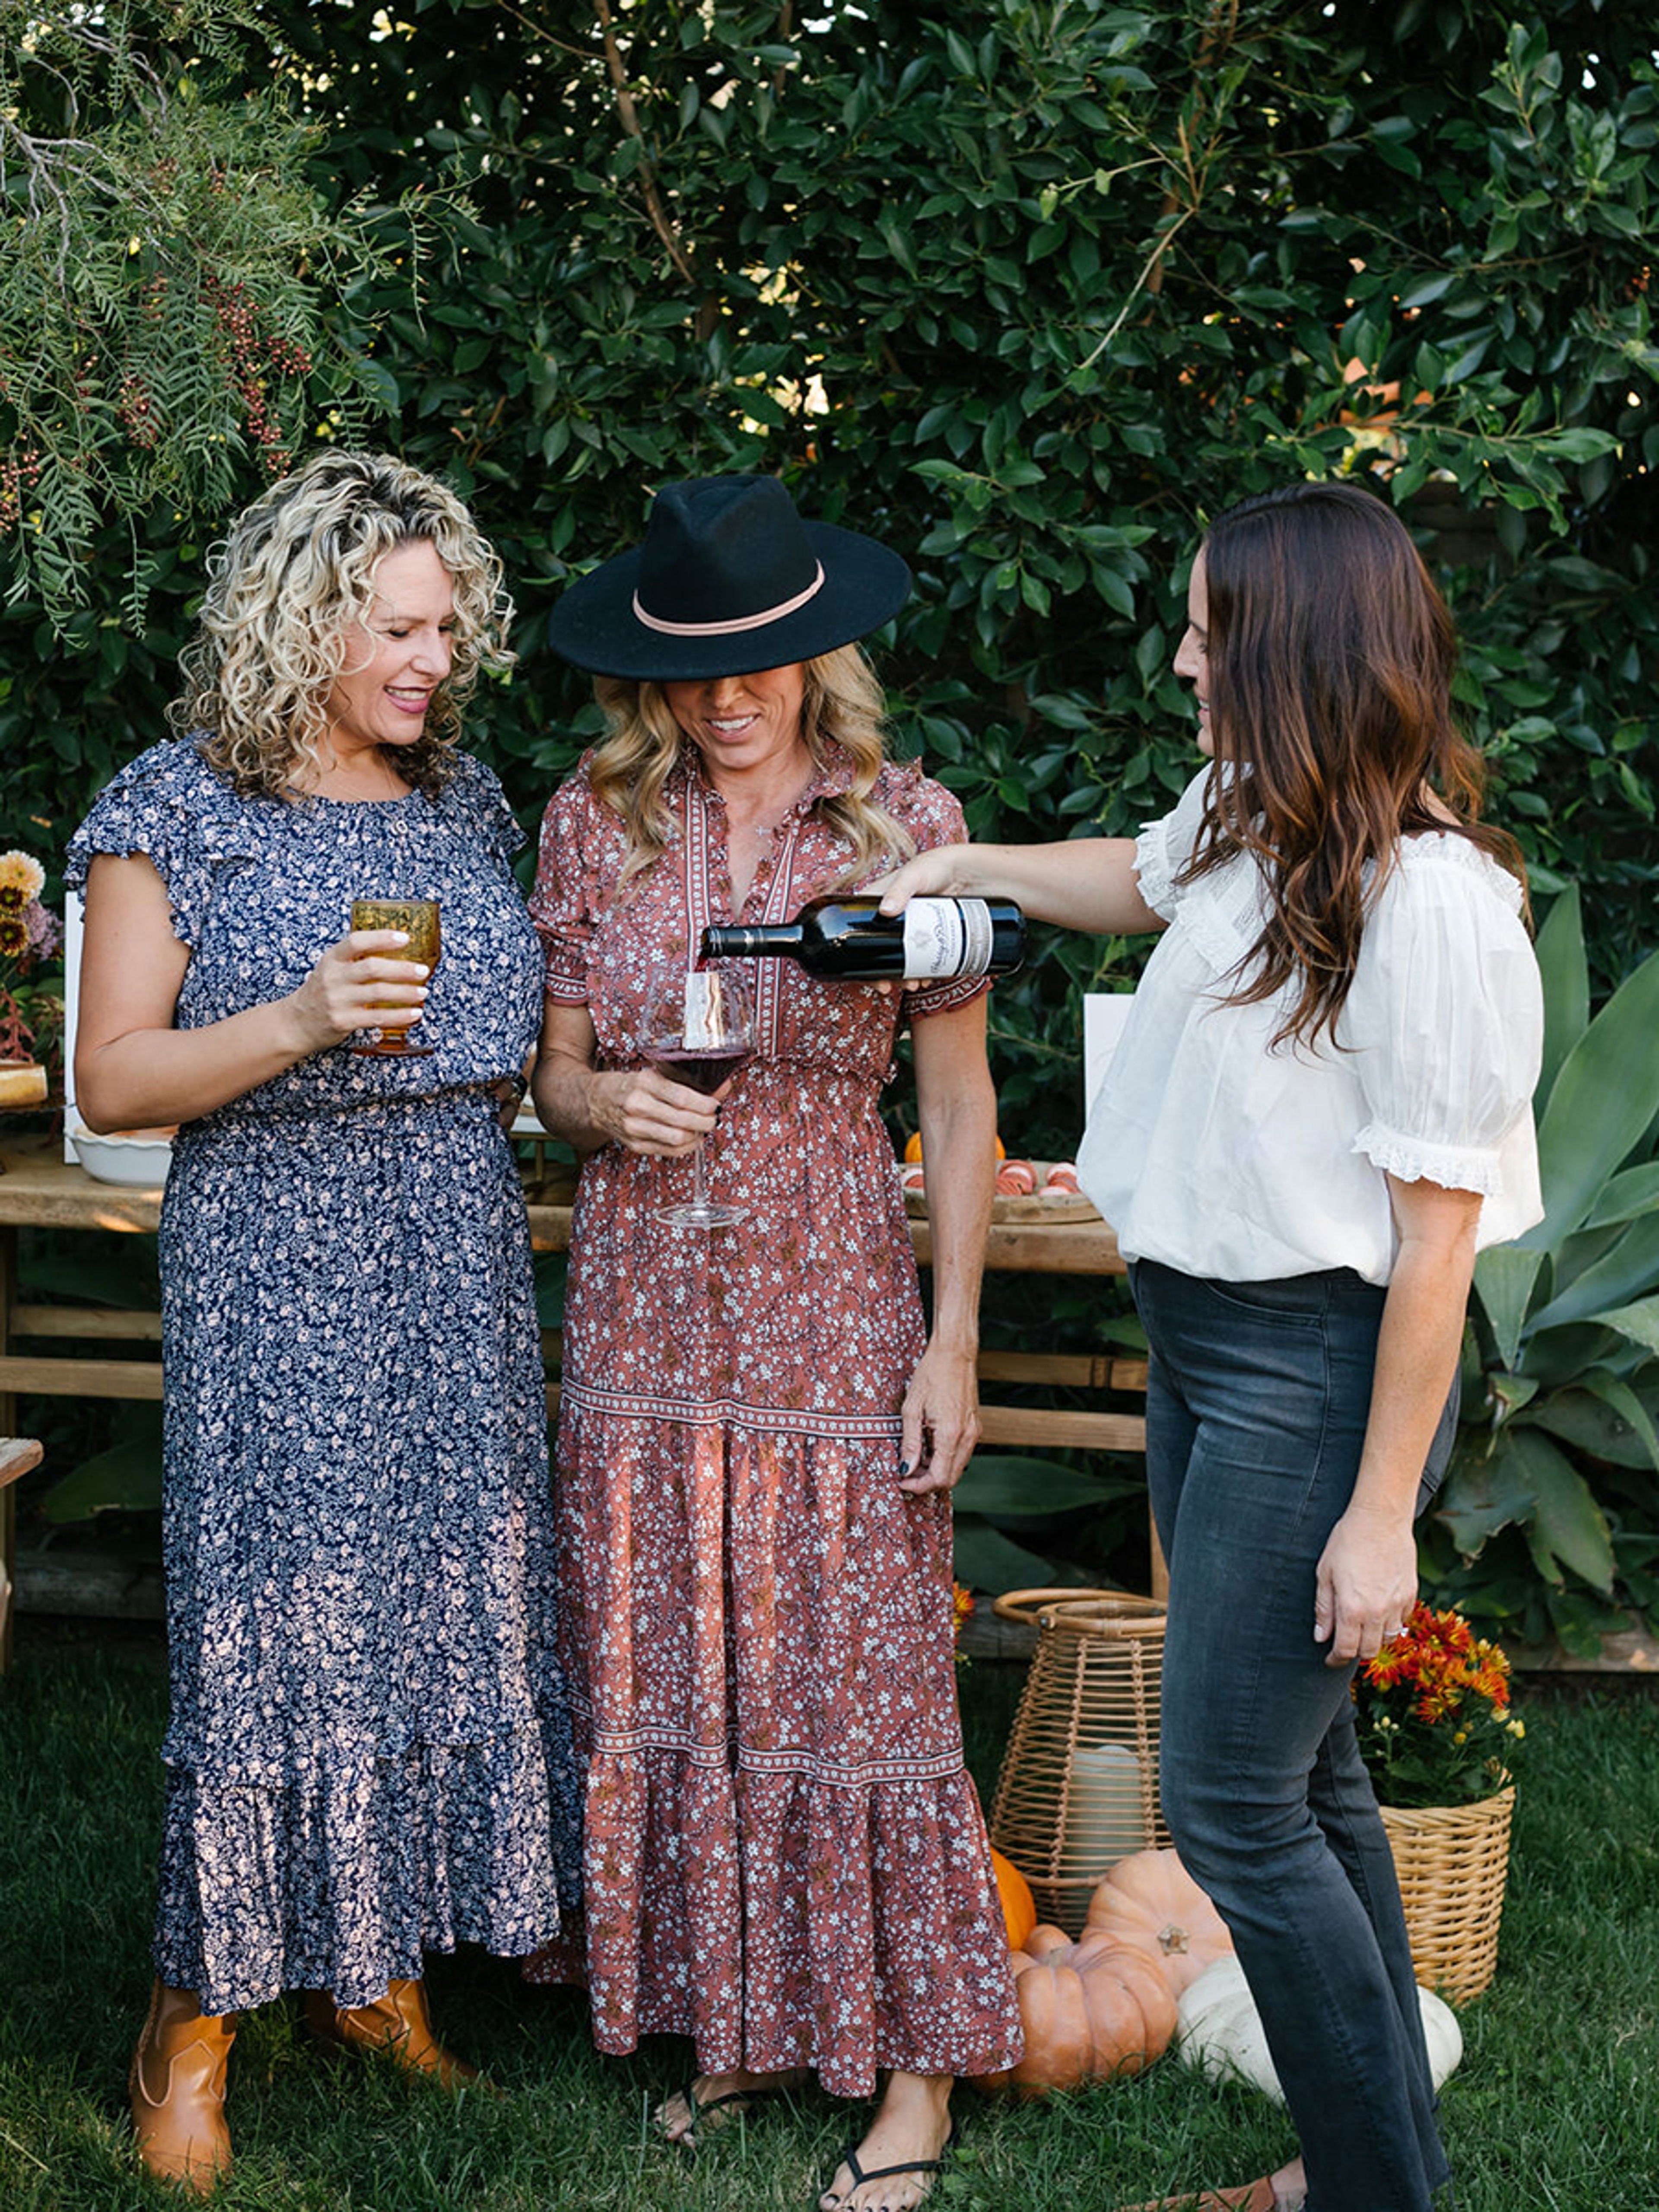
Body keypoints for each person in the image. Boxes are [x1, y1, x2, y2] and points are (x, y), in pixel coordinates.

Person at [874, 482, 1544, 2212]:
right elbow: (1133, 879)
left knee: (1234, 1804)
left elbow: (1437, 1244)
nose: (1179, 656)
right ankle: (1365, 2165)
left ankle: (1376, 2188)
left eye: (1205, 631)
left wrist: (1381, 1510)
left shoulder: (1436, 906)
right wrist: (967, 862)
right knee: (1301, 1778)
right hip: (1205, 1354)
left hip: (1311, 1374)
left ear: (1296, 652)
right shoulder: (1256, 822)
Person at [68, 451, 582, 2193]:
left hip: (453, 1257)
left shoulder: (468, 806)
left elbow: (512, 1041)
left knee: (442, 1612)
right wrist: (297, 1014)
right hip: (276, 1268)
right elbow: (118, 1076)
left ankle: (373, 1970)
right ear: (302, 620)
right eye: (401, 625)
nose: (437, 656)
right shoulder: (177, 808)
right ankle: (189, 2018)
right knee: (275, 1630)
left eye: (450, 625)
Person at [525, 474, 1022, 2212]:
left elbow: (955, 1113)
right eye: (694, 668)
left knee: (861, 1662)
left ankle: (916, 2067)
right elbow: (557, 1070)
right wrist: (601, 1103)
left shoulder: (909, 829)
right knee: (681, 1655)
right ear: (647, 674)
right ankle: (736, 2010)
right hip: (646, 1306)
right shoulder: (595, 819)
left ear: (824, 650)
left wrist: (953, 1341)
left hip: (829, 1297)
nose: (730, 698)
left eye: (766, 659)